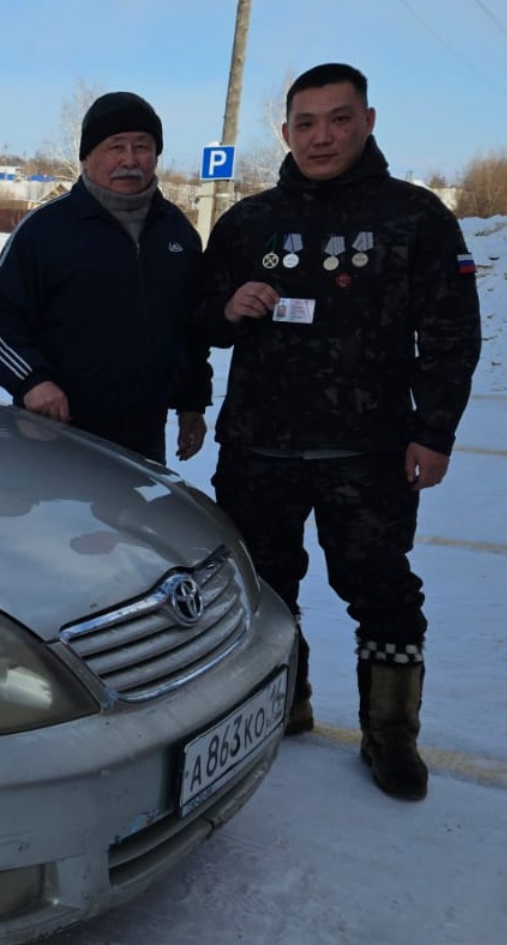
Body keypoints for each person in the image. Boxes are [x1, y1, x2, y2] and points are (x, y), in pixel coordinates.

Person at [197, 62, 481, 801]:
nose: (322, 136)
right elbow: (196, 320)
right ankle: (280, 707)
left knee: (383, 591)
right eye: (306, 122)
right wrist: (229, 308)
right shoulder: (247, 222)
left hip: (370, 452)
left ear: (368, 120)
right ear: (286, 130)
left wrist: (435, 432)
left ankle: (391, 737)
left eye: (339, 118)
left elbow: (450, 336)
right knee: (264, 594)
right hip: (258, 447)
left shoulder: (416, 218)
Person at [0, 91, 210, 465]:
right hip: (57, 433)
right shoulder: (47, 229)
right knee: (62, 525)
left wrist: (192, 403)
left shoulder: (176, 230)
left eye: (142, 147)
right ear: (87, 156)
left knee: (140, 526)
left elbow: (191, 329)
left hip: (144, 437)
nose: (130, 160)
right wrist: (33, 381)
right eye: (115, 147)